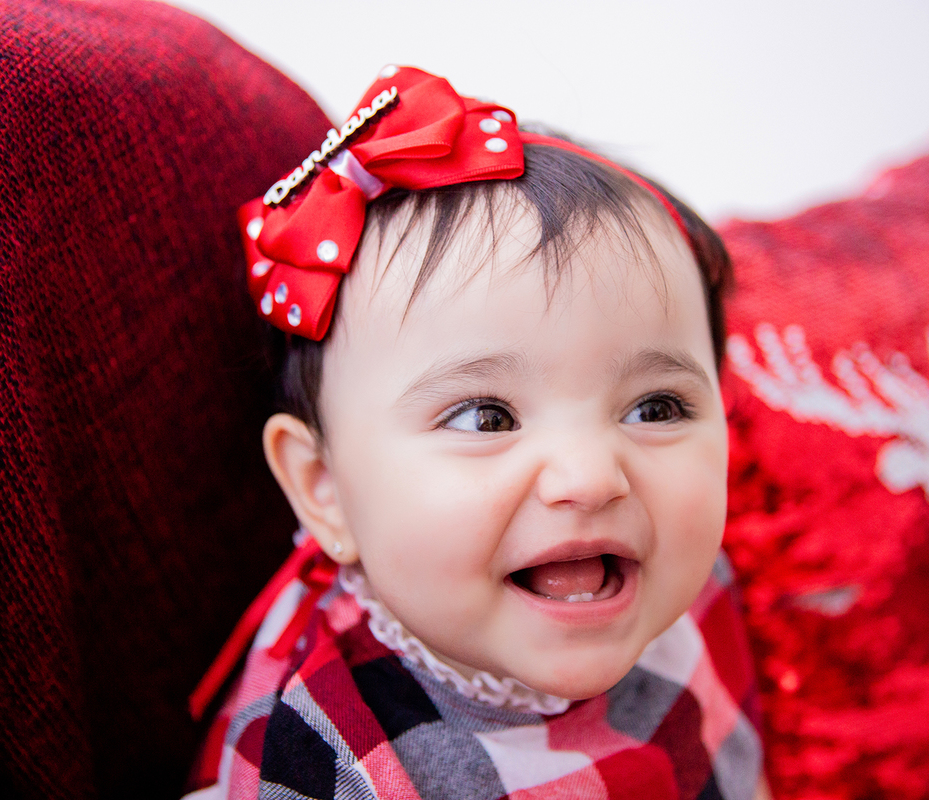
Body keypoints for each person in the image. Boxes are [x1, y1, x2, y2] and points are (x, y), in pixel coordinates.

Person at [185, 66, 767, 800]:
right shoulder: (321, 765)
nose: (590, 477)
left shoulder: (687, 580)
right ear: (323, 488)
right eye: (486, 417)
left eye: (655, 408)